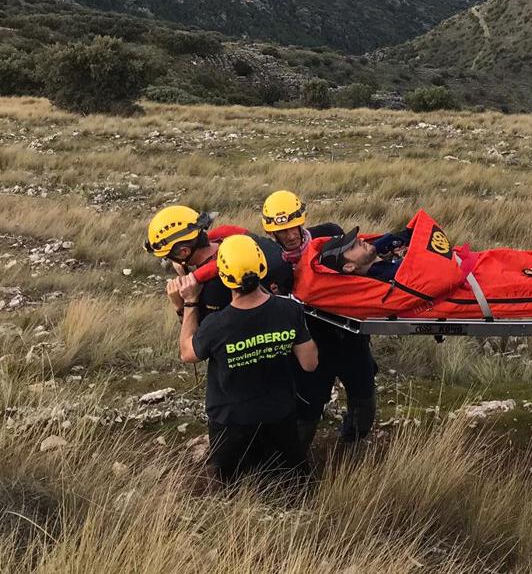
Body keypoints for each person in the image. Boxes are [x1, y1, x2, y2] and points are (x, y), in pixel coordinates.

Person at [172, 234, 318, 482]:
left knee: (231, 484)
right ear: (262, 267)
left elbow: (188, 354)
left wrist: (189, 302)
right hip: (279, 413)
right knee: (290, 481)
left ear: (224, 276)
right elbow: (309, 363)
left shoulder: (216, 325)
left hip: (231, 420)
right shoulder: (289, 310)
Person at [262, 190, 378, 447]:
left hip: (350, 336)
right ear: (272, 232)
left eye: (294, 227)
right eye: (283, 232)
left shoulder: (330, 234)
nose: (291, 235)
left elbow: (359, 267)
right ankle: (295, 461)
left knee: (364, 398)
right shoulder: (268, 262)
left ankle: (352, 445)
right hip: (308, 344)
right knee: (307, 406)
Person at [144, 205, 292, 321]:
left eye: (168, 256)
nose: (168, 260)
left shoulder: (214, 286)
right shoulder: (234, 241)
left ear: (184, 252)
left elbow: (200, 342)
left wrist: (182, 305)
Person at [318, 225, 411, 280]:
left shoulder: (373, 251)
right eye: (353, 247)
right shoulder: (388, 274)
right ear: (349, 266)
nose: (362, 240)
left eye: (356, 239)